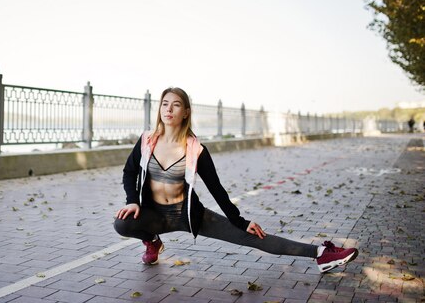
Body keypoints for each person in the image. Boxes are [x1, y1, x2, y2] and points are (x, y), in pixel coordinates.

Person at [114, 87, 358, 273]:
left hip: (187, 215)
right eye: (164, 104)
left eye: (176, 105)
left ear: (185, 112)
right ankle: (152, 242)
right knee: (122, 224)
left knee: (252, 238)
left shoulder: (196, 149)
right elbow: (129, 172)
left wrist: (241, 221)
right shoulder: (147, 140)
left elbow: (217, 189)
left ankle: (321, 253)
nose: (168, 109)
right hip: (153, 214)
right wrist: (132, 201)